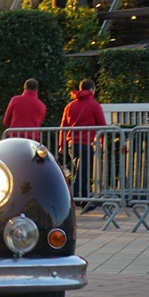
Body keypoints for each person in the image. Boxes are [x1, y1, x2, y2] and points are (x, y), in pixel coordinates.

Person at [59, 79, 106, 207]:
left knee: (80, 172)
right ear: (91, 89)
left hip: (72, 145)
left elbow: (63, 127)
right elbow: (102, 125)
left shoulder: (70, 106)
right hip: (86, 144)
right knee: (82, 173)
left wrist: (62, 145)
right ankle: (70, 198)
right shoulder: (94, 105)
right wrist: (101, 141)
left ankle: (84, 201)